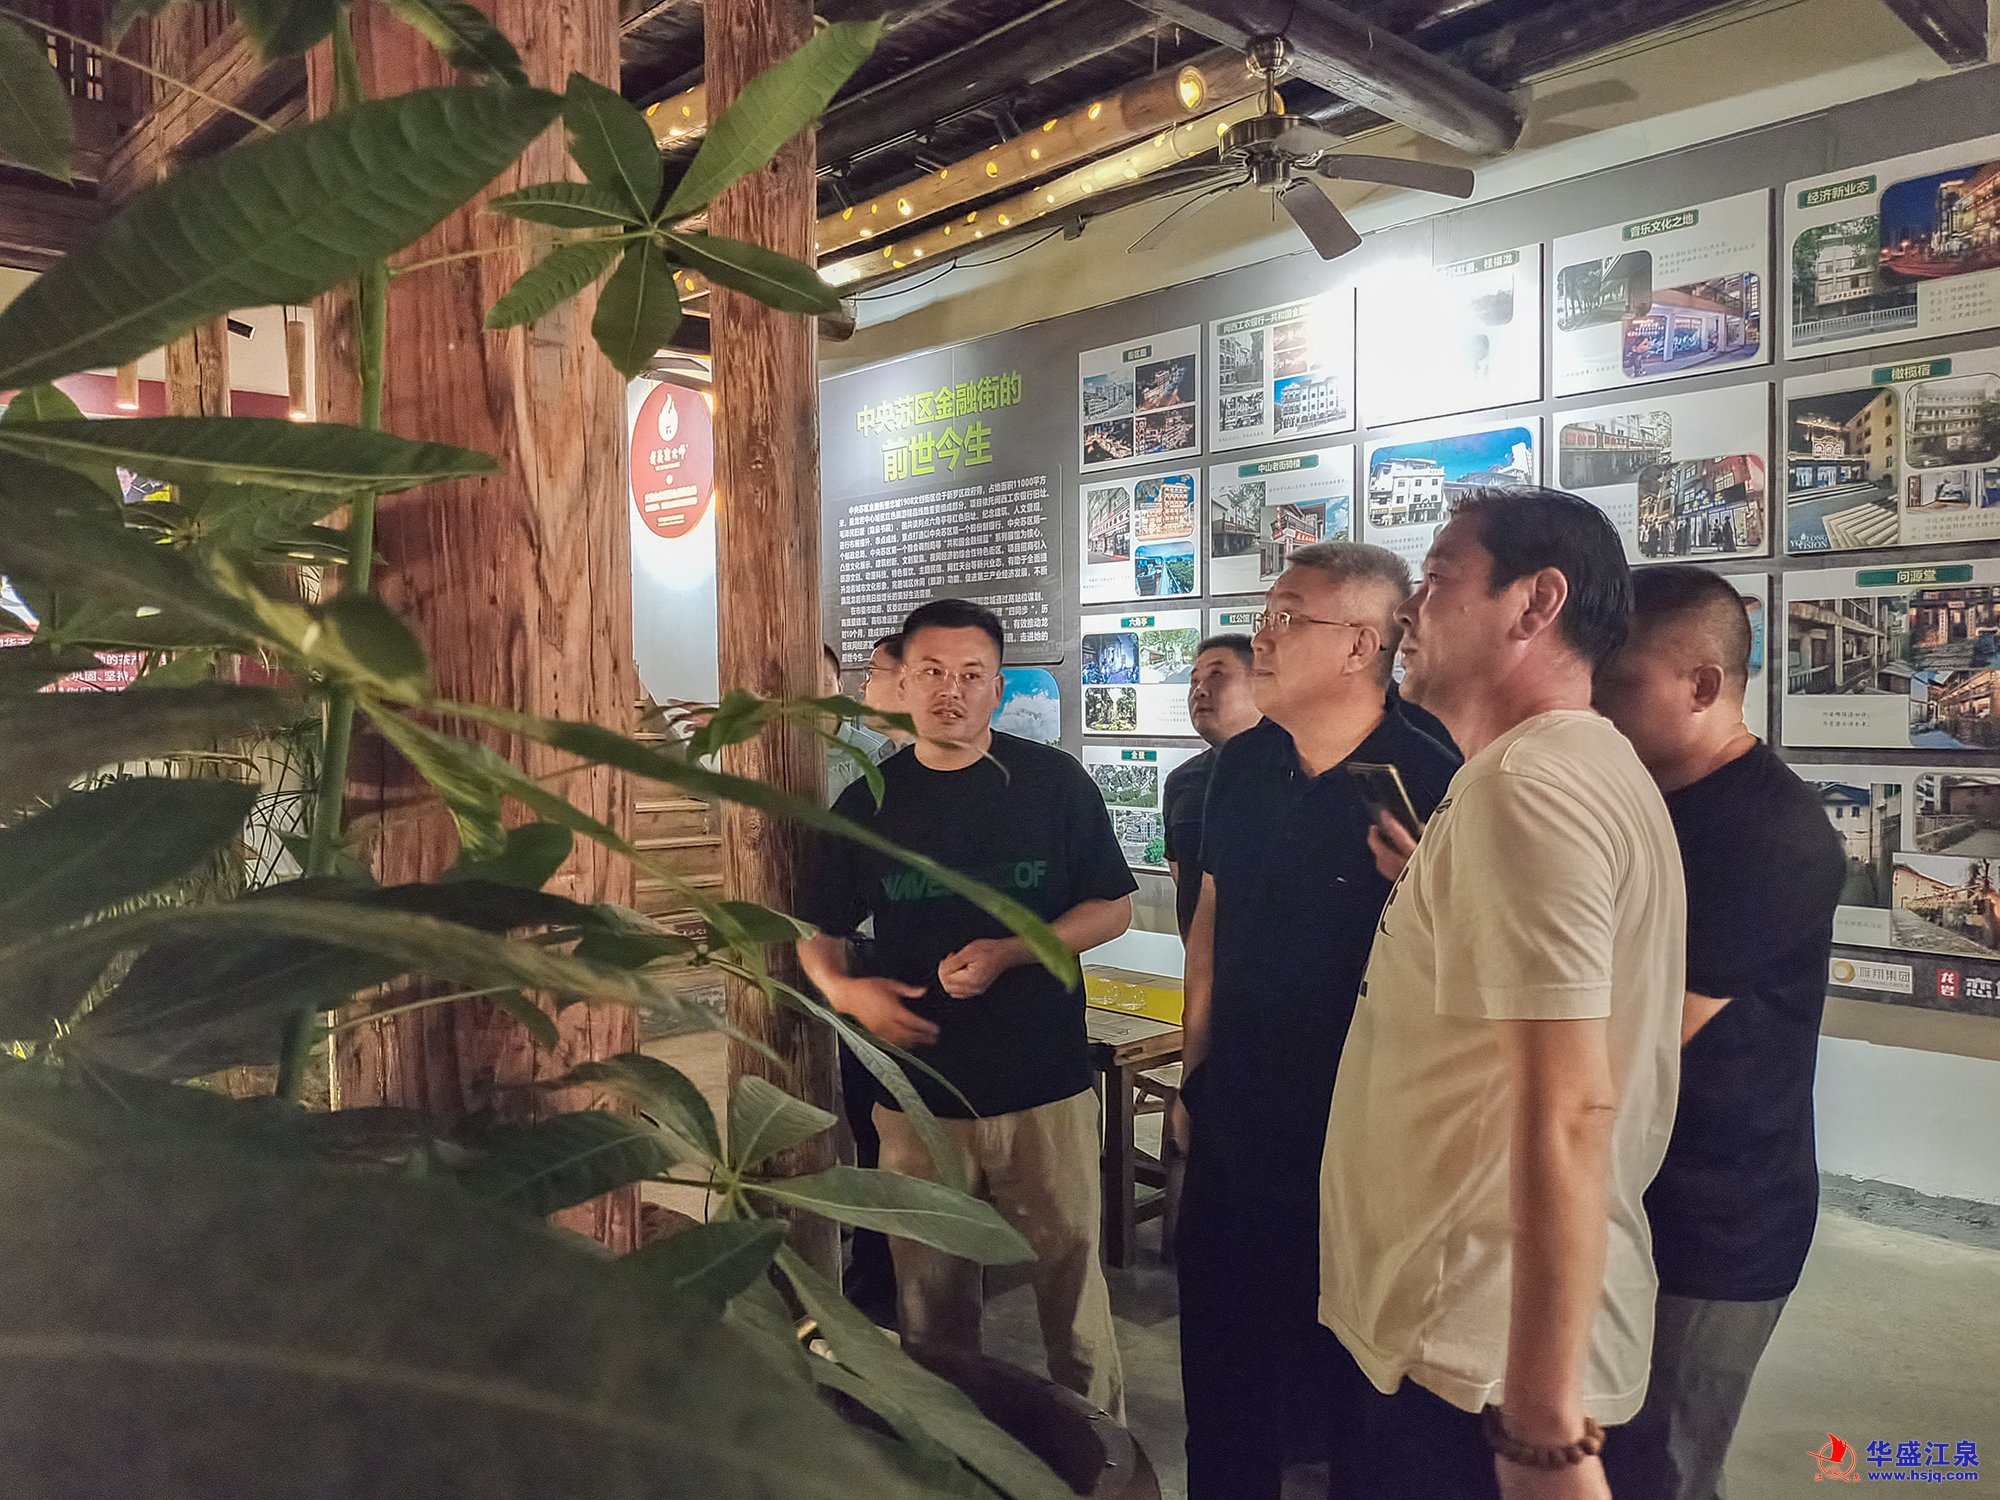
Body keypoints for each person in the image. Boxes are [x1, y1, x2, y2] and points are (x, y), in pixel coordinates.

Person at [1320, 487, 1686, 1500]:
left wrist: (1541, 1426)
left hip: (1476, 1358)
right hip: (1468, 1335)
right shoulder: (1567, 767)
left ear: (1534, 603)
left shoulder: (1526, 786)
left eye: (1438, 579)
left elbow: (1571, 1106)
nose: (1410, 609)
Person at [798, 598, 1135, 1416]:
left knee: (1073, 1297)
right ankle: (951, 1458)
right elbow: (818, 931)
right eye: (932, 672)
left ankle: (1102, 1454)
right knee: (931, 1313)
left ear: (997, 687)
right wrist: (846, 991)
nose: (951, 690)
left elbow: (1111, 908)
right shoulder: (868, 806)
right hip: (917, 1096)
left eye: (971, 674)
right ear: (902, 684)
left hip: (1044, 1087)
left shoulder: (1051, 783)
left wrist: (1012, 951)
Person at [1175, 544, 1459, 1500]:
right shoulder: (1244, 764)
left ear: (1361, 646)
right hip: (1239, 1111)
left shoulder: (1436, 773)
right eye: (1267, 614)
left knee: (1357, 1390)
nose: (1262, 636)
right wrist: (1195, 1077)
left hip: (1371, 1133)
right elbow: (1210, 925)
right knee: (1225, 1367)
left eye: (1289, 618)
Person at [1593, 567, 1846, 1500]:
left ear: (1702, 684)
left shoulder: (1772, 835)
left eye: (1619, 684)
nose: (1595, 704)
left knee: (1662, 1465)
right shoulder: (1642, 801)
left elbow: (1639, 1037)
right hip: (1632, 1186)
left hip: (1716, 1219)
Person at [1161, 633, 1260, 939]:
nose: (1200, 691)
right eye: (1194, 681)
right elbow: (1183, 875)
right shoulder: (1182, 781)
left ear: (1262, 683)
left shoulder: (1297, 771)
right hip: (1200, 961)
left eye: (1217, 675)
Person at [823, 643, 896, 800]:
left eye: (824, 684)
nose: (813, 695)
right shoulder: (777, 752)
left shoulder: (868, 757)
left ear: (840, 686)